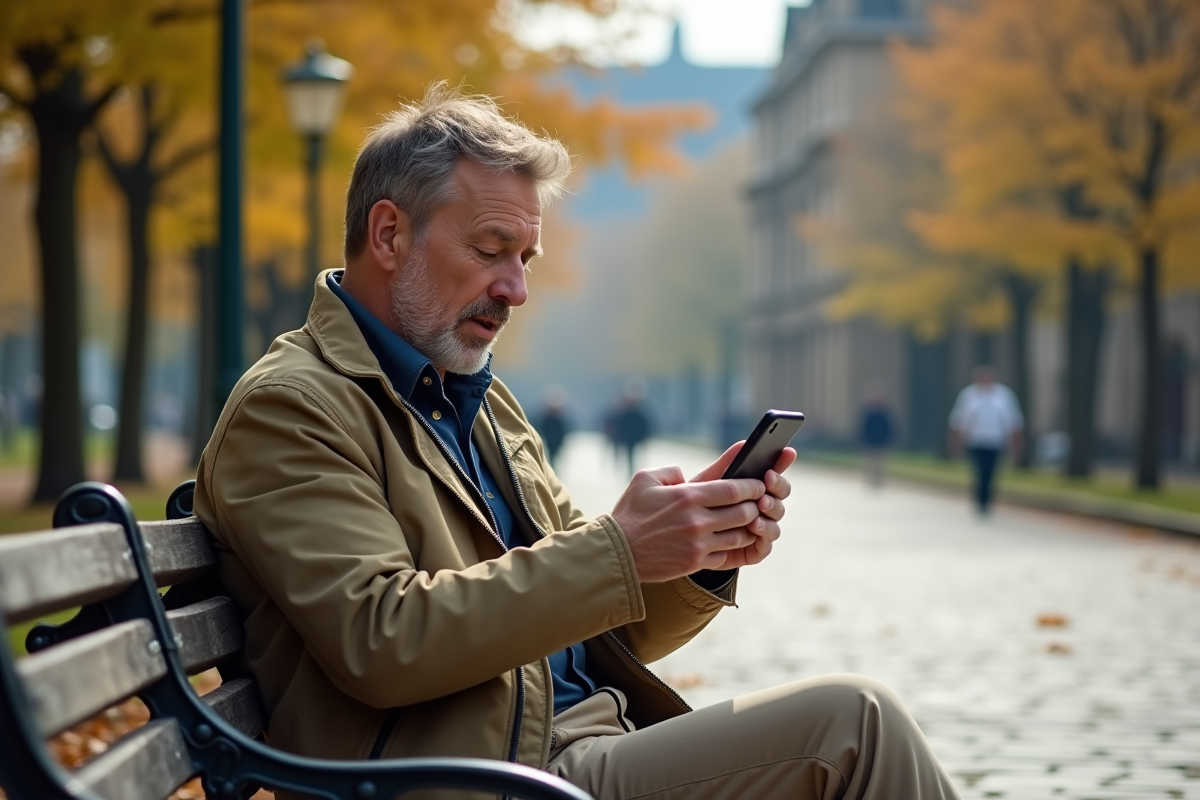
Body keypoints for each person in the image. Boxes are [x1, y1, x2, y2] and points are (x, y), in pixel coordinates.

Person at [194, 84, 961, 800]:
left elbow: (602, 627)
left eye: (524, 259)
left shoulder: (479, 402)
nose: (516, 289)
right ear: (390, 234)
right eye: (490, 250)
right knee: (856, 725)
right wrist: (618, 551)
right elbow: (382, 641)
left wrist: (695, 551)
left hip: (568, 747)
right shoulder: (292, 408)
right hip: (488, 778)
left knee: (854, 724)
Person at [948, 365, 1024, 515]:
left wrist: (1016, 444)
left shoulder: (1004, 395)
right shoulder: (968, 395)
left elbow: (1013, 421)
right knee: (979, 470)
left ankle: (987, 499)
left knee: (991, 472)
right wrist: (956, 443)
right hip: (975, 441)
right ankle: (980, 499)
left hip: (996, 441)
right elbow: (958, 420)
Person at [605, 379, 652, 477]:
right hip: (627, 436)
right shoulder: (624, 410)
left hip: (634, 436)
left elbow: (643, 423)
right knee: (627, 453)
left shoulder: (638, 410)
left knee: (632, 454)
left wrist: (645, 435)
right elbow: (617, 423)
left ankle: (632, 470)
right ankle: (628, 470)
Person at [858, 390, 895, 488]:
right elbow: (864, 428)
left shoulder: (884, 413)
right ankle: (870, 478)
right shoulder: (869, 413)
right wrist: (863, 440)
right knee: (870, 462)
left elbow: (889, 428)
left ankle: (878, 479)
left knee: (880, 462)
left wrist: (888, 440)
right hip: (870, 441)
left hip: (881, 441)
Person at [533, 385, 571, 469]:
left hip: (554, 442)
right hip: (549, 442)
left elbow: (562, 431)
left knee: (552, 458)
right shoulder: (550, 419)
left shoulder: (556, 419)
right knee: (551, 458)